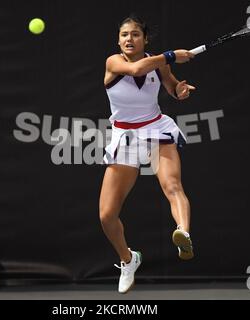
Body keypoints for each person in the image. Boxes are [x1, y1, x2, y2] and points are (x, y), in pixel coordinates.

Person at [100, 15, 196, 293]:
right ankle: (128, 260)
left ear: (145, 39)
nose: (129, 39)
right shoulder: (113, 62)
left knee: (173, 184)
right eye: (124, 35)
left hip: (156, 128)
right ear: (118, 41)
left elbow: (172, 87)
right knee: (107, 215)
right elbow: (138, 69)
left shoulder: (160, 64)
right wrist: (171, 56)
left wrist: (179, 90)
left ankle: (183, 232)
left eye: (135, 35)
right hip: (125, 136)